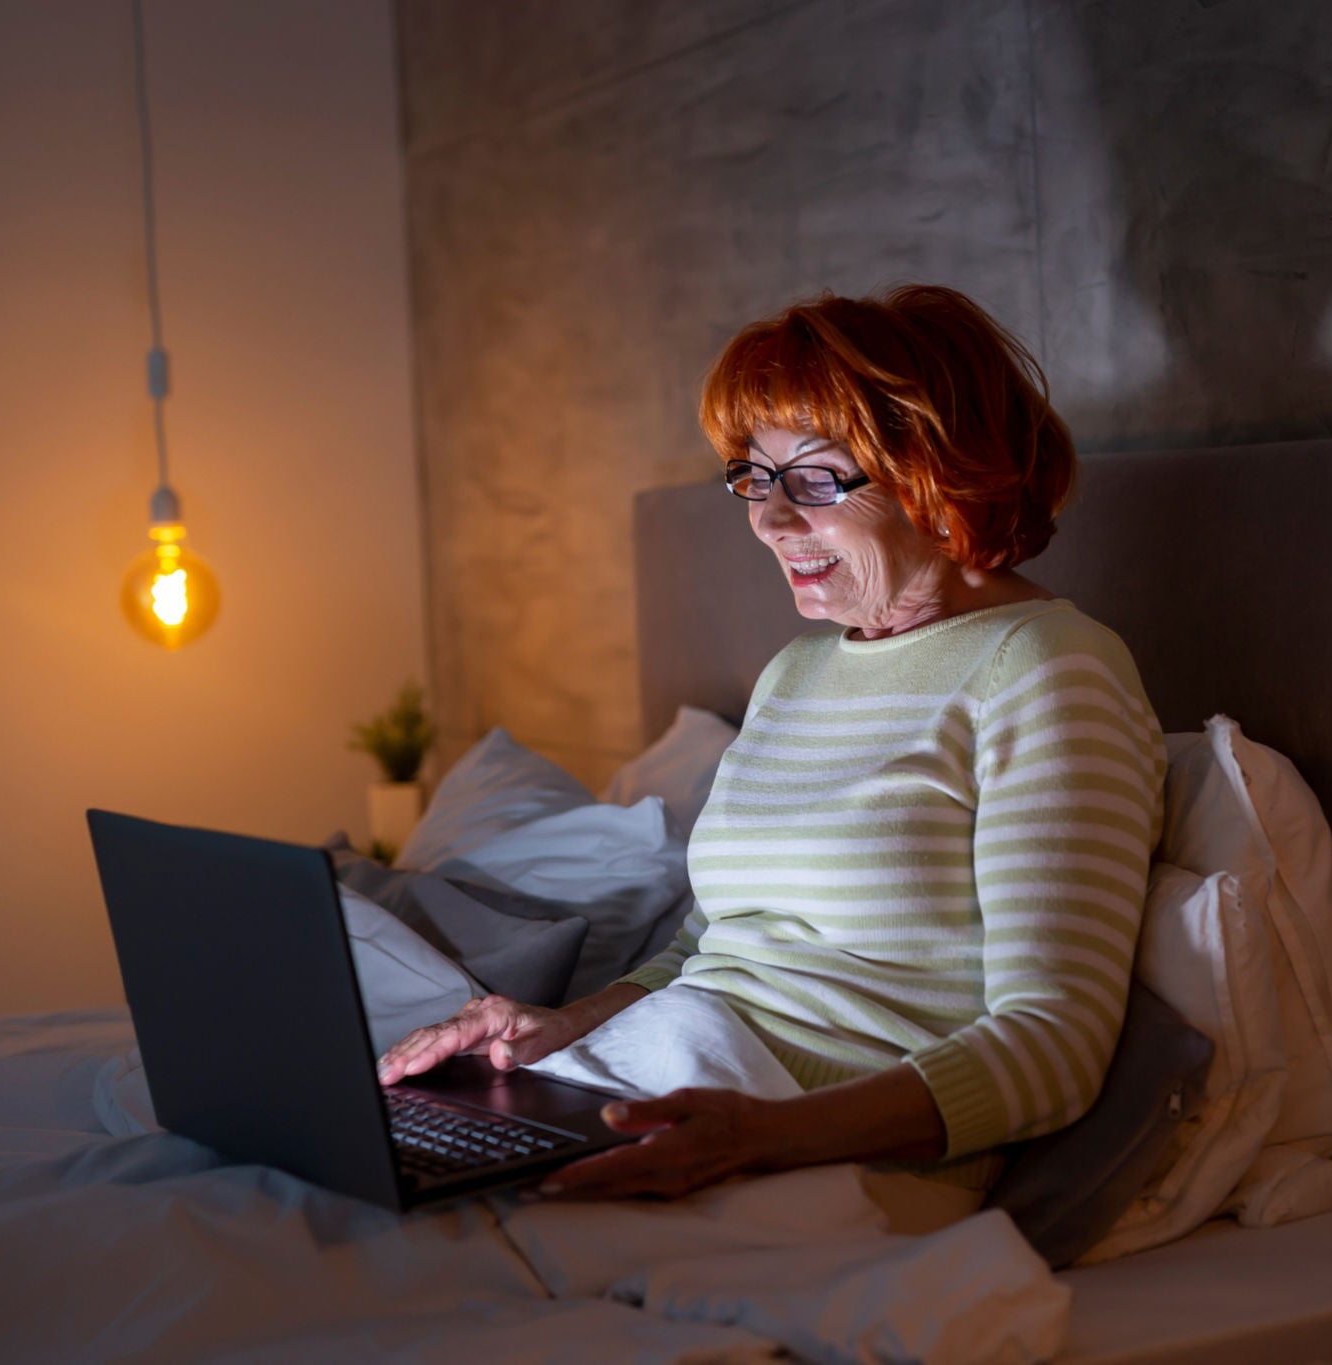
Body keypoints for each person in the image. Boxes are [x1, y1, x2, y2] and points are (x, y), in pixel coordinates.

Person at [377, 284, 1165, 1222]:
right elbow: (708, 946)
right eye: (755, 474)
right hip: (672, 1082)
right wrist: (556, 1027)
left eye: (817, 478)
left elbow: (1054, 1045)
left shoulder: (1045, 668)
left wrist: (756, 1136)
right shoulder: (795, 672)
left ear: (941, 471)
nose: (770, 519)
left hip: (834, 1150)